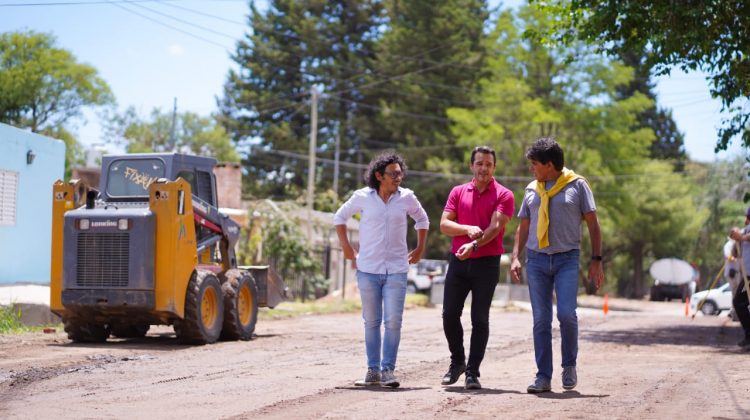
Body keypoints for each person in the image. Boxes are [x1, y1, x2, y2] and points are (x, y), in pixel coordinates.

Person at [510, 137, 604, 393]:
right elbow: (524, 225)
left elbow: (594, 225)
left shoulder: (578, 185)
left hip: (567, 259)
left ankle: (569, 365)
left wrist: (597, 260)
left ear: (549, 164)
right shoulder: (532, 189)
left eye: (534, 164)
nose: (532, 169)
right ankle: (543, 376)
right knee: (541, 319)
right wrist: (516, 256)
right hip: (537, 260)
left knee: (566, 314)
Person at [334, 152, 429, 387]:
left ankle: (388, 371)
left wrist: (419, 249)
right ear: (379, 175)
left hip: (397, 268)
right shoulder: (362, 197)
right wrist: (346, 247)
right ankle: (372, 371)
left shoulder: (407, 198)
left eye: (400, 173)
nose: (398, 177)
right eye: (393, 173)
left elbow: (422, 220)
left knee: (394, 321)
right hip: (368, 269)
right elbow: (340, 217)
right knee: (372, 322)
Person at [439, 146, 515, 390]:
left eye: (489, 164)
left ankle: (473, 372)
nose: (484, 168)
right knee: (449, 314)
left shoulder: (504, 195)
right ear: (472, 165)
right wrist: (466, 229)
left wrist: (473, 244)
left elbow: (494, 228)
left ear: (494, 167)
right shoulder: (458, 192)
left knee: (479, 318)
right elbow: (444, 224)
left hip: (487, 263)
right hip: (458, 261)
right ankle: (457, 362)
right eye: (479, 163)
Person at [728, 207, 750, 350]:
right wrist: (735, 235)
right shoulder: (746, 229)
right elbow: (737, 240)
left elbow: (745, 237)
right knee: (739, 302)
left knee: (739, 302)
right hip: (747, 274)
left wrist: (740, 237)